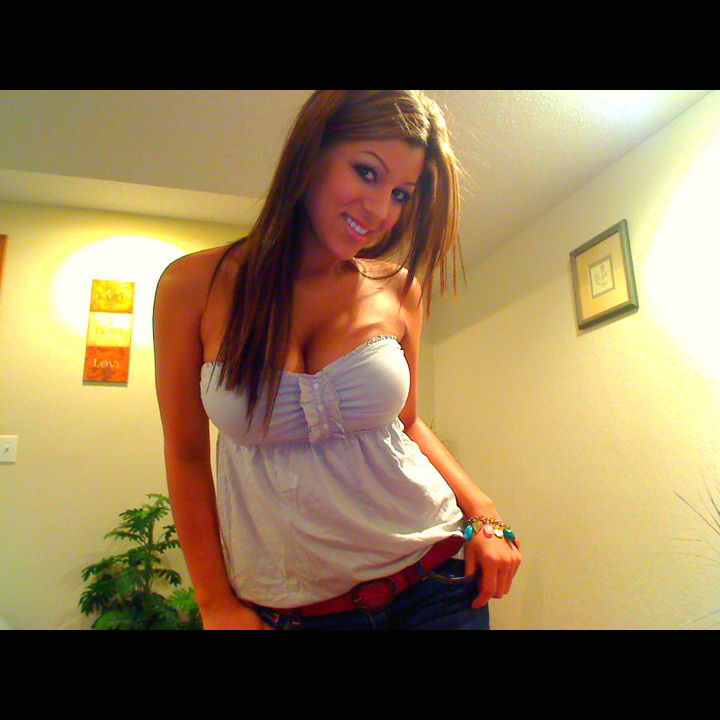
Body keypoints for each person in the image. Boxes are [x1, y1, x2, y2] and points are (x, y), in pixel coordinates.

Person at [153, 90, 522, 630]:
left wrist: (485, 514)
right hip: (297, 612)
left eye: (402, 194)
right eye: (367, 173)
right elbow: (186, 455)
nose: (382, 212)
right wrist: (214, 603)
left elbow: (409, 423)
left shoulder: (400, 289)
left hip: (434, 582)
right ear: (312, 154)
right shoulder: (194, 286)